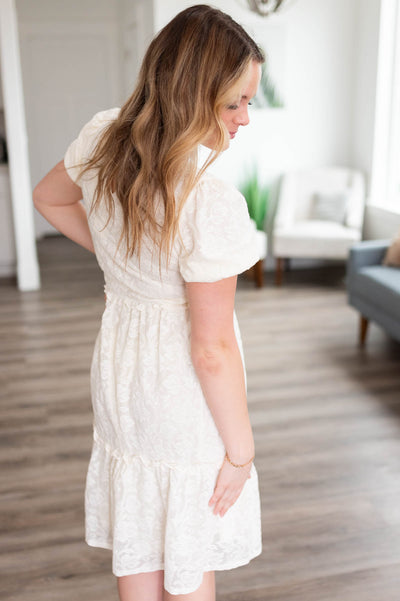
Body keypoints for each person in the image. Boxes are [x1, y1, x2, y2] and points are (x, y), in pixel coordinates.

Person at [33, 4, 264, 600]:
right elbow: (210, 349)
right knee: (189, 551)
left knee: (140, 530)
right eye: (234, 101)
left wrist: (121, 266)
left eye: (249, 101)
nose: (245, 118)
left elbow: (49, 199)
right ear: (192, 93)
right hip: (179, 394)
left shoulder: (105, 137)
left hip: (120, 373)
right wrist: (241, 453)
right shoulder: (207, 202)